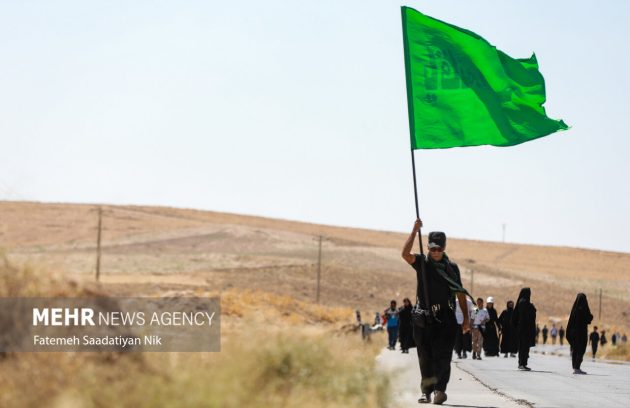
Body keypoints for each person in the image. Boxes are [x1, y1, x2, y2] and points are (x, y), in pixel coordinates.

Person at [402, 219, 470, 405]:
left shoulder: (451, 268)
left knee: (443, 356)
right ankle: (426, 392)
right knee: (425, 357)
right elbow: (405, 254)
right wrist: (414, 231)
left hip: (446, 318)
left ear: (444, 247)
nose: (436, 252)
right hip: (424, 318)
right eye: (432, 248)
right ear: (428, 247)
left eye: (439, 248)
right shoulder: (422, 262)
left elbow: (460, 293)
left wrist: (466, 319)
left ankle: (440, 390)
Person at [566, 293, 593, 374]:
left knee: (575, 349)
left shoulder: (574, 310)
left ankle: (575, 367)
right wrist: (591, 316)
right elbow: (589, 319)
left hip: (574, 334)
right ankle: (577, 367)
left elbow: (570, 323)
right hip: (581, 333)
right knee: (581, 349)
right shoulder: (584, 309)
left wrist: (569, 334)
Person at [512, 288, 536, 371]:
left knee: (524, 347)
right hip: (524, 330)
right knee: (523, 347)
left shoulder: (524, 303)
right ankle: (522, 363)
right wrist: (532, 307)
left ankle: (522, 363)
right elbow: (524, 316)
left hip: (524, 329)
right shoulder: (523, 303)